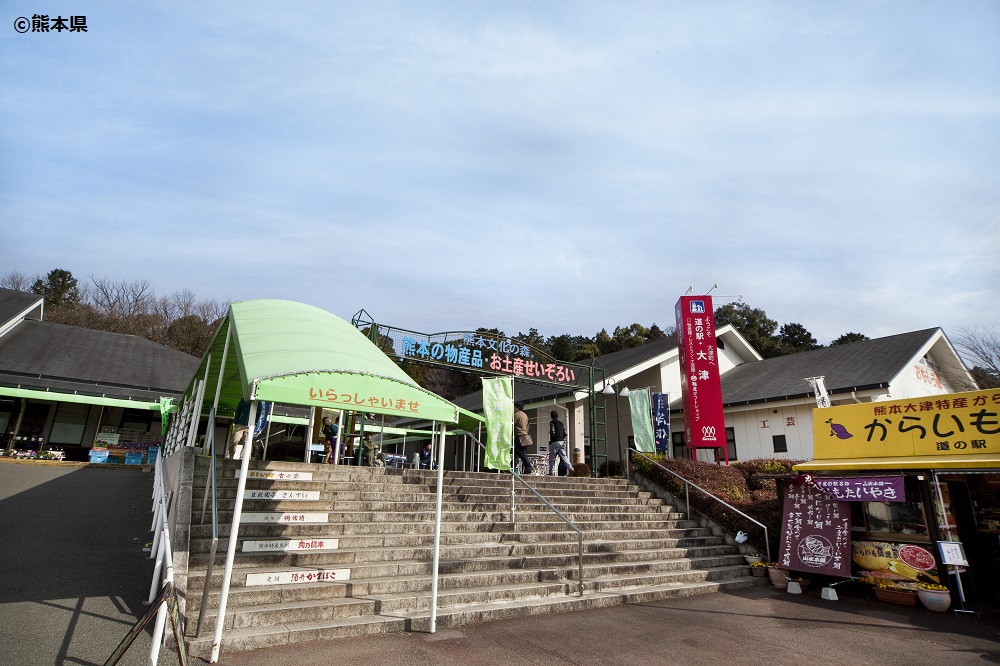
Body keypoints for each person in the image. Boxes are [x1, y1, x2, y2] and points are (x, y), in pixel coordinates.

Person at [548, 410, 573, 476]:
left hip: (555, 441)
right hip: (562, 442)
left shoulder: (552, 423)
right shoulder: (561, 423)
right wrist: (562, 439)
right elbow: (565, 433)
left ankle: (551, 472)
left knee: (551, 457)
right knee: (564, 456)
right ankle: (571, 469)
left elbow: (552, 432)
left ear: (551, 416)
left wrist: (551, 441)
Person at [513, 402, 533, 474]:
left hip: (519, 436)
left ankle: (529, 466)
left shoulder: (517, 414)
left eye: (514, 407)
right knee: (517, 453)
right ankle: (512, 467)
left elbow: (512, 424)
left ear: (517, 407)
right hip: (525, 436)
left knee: (521, 453)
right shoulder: (525, 415)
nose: (514, 408)